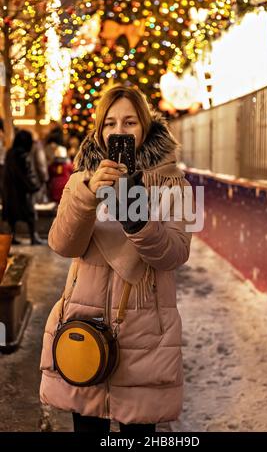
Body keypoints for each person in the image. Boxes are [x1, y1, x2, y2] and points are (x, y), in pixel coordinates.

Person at [40, 85, 193, 434]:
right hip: (85, 328)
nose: (119, 133)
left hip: (145, 335)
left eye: (129, 123)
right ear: (98, 130)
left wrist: (137, 219)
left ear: (145, 127)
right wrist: (88, 195)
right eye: (109, 124)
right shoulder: (81, 181)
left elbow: (173, 254)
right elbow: (62, 244)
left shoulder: (172, 185)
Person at [2, 129, 44, 245]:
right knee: (30, 215)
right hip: (21, 192)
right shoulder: (23, 155)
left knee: (12, 217)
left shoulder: (10, 153)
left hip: (9, 191)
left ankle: (13, 237)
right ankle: (33, 237)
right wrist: (34, 187)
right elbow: (26, 175)